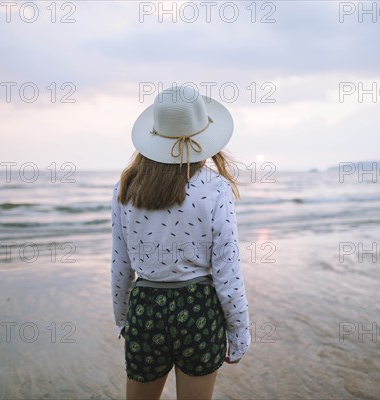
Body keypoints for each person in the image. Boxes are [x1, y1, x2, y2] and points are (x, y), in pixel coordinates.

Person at [110, 85, 250, 400]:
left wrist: (123, 319)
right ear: (204, 136)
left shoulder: (127, 186)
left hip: (145, 310)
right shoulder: (215, 188)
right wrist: (239, 333)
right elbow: (227, 272)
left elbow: (120, 264)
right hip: (199, 308)